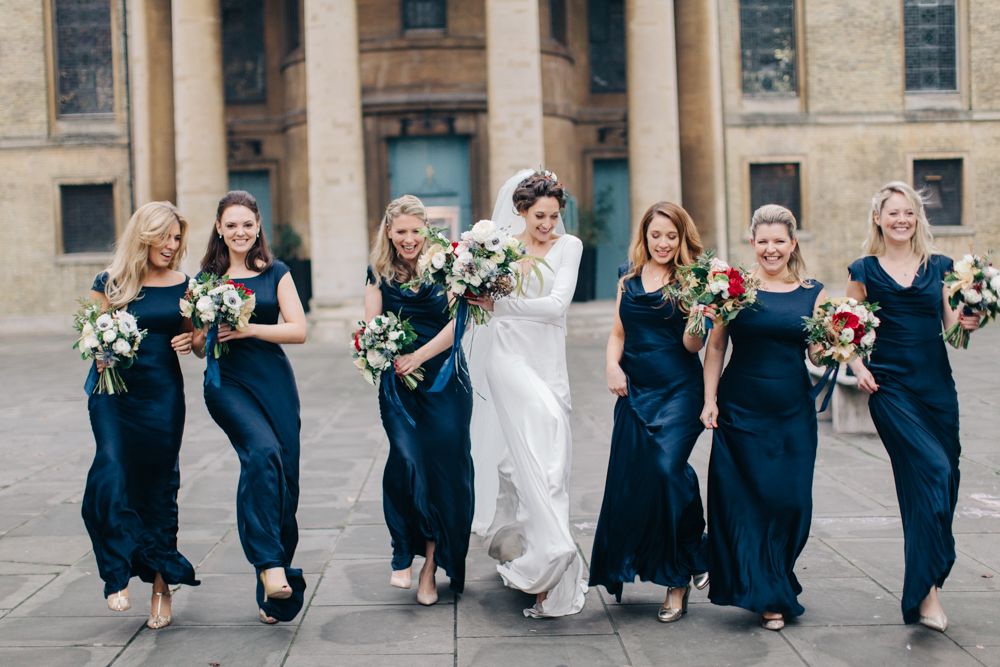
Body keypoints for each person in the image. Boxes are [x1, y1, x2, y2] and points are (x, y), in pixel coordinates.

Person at [845, 181, 981, 631]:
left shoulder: (939, 267)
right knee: (932, 473)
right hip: (892, 391)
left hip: (937, 392)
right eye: (892, 213)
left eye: (908, 213)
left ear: (917, 219)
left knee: (941, 483)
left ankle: (926, 588)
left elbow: (953, 336)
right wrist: (856, 366)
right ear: (878, 219)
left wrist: (969, 320)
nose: (901, 220)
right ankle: (928, 596)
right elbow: (844, 330)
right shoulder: (864, 270)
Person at [468, 170, 588, 618]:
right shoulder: (500, 248)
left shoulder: (568, 246)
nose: (548, 224)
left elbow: (557, 306)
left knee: (547, 466)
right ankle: (550, 551)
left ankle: (545, 563)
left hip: (547, 363)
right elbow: (474, 296)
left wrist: (498, 305)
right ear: (521, 211)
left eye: (554, 216)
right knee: (532, 458)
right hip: (507, 359)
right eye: (540, 216)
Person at [701, 204, 826, 631]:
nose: (771, 249)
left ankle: (775, 574)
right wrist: (709, 400)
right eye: (763, 241)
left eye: (780, 241)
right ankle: (768, 591)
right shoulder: (734, 289)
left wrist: (840, 343)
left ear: (793, 244)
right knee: (747, 501)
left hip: (792, 412)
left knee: (791, 503)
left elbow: (815, 352)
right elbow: (715, 347)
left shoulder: (814, 292)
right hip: (741, 410)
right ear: (751, 243)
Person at [588, 201, 710, 622]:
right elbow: (618, 333)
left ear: (682, 239)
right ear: (645, 236)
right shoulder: (628, 278)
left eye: (671, 236)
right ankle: (687, 565)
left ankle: (683, 570)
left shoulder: (692, 281)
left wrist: (697, 322)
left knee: (664, 469)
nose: (663, 243)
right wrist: (610, 366)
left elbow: (693, 346)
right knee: (643, 483)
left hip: (680, 391)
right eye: (656, 235)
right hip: (634, 390)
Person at [82, 201, 200, 630]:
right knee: (111, 471)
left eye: (176, 238)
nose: (172, 246)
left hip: (162, 396)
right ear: (144, 235)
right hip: (113, 394)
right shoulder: (109, 282)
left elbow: (198, 342)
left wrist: (193, 342)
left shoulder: (187, 284)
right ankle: (116, 573)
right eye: (165, 237)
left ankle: (159, 585)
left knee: (158, 486)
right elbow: (91, 335)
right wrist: (98, 350)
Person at [198, 190, 307, 624]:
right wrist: (187, 339)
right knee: (261, 454)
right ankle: (268, 564)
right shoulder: (206, 281)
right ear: (220, 229)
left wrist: (247, 329)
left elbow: (298, 330)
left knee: (285, 479)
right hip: (227, 384)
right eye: (231, 225)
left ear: (258, 226)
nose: (240, 232)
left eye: (247, 224)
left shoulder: (276, 273)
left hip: (274, 383)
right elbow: (195, 340)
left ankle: (271, 587)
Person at [364, 195, 474, 605]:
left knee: (445, 471)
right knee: (407, 461)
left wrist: (419, 356)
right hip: (399, 387)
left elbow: (456, 325)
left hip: (445, 380)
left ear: (427, 231)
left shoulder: (446, 267)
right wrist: (378, 348)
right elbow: (371, 324)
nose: (409, 239)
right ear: (389, 233)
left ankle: (430, 565)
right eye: (401, 231)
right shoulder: (378, 273)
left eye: (416, 231)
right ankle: (401, 549)